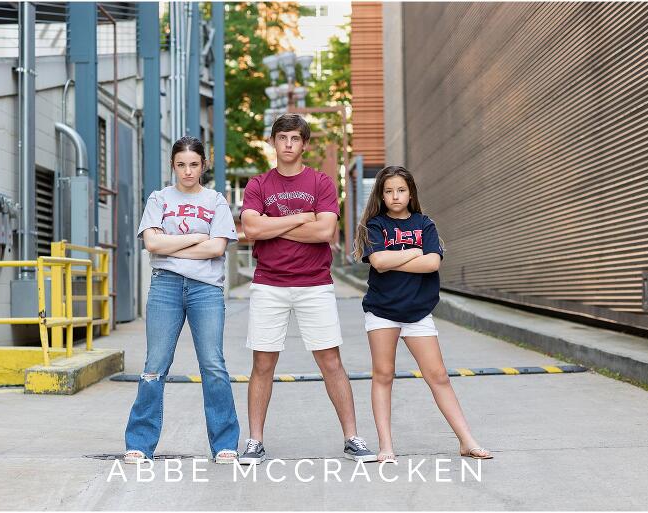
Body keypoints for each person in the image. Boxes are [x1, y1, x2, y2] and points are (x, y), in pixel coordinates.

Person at [238, 113, 376, 465]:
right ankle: (255, 441)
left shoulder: (321, 182)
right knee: (262, 363)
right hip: (269, 284)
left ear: (305, 144)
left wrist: (272, 225)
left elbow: (324, 233)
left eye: (295, 138)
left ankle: (352, 437)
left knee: (331, 361)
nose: (288, 144)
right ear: (272, 142)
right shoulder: (258, 185)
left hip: (314, 284)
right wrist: (302, 217)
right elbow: (250, 228)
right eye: (281, 137)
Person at [353, 165, 493, 462]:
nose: (395, 196)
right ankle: (386, 447)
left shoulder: (424, 224)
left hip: (418, 312)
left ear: (411, 192)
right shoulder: (375, 226)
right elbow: (378, 262)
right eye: (388, 191)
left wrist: (396, 259)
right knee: (383, 375)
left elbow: (432, 265)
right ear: (381, 194)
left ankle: (467, 441)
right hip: (382, 311)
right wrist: (415, 252)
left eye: (401, 190)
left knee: (438, 375)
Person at [123, 136, 240, 465]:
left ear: (203, 165)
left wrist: (171, 241)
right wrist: (196, 238)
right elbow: (152, 245)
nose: (187, 171)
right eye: (180, 165)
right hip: (166, 286)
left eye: (193, 164)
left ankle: (225, 443)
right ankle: (139, 443)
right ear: (173, 166)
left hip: (206, 289)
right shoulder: (159, 198)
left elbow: (216, 249)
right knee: (154, 366)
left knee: (213, 366)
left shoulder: (216, 200)